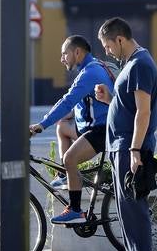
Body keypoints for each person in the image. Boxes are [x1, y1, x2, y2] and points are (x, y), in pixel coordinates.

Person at [95, 17, 157, 251]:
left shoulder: (140, 65)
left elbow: (143, 113)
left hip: (128, 149)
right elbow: (130, 108)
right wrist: (110, 100)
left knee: (133, 212)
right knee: (127, 212)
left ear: (119, 39)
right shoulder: (132, 65)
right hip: (121, 147)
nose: (107, 51)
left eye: (108, 45)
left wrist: (134, 150)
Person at [29, 35, 113, 226]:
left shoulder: (89, 73)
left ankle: (76, 210)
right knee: (63, 127)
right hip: (92, 127)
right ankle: (66, 175)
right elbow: (86, 101)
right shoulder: (93, 67)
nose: (62, 59)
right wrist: (71, 115)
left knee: (69, 158)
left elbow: (68, 100)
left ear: (77, 52)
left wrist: (41, 125)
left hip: (101, 130)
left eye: (64, 53)